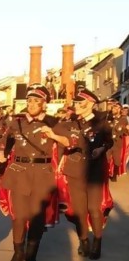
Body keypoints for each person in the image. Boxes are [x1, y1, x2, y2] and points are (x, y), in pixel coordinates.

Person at [43, 87, 113, 259]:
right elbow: (53, 127)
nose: (77, 105)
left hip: (95, 171)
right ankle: (84, 241)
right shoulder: (71, 122)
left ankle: (97, 241)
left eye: (80, 103)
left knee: (93, 209)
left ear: (90, 104)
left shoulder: (101, 122)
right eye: (76, 102)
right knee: (80, 210)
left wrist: (101, 149)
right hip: (75, 171)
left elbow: (109, 142)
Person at [0, 84, 60, 261]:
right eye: (29, 101)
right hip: (19, 172)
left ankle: (31, 253)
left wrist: (54, 136)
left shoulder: (52, 122)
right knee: (19, 215)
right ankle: (18, 252)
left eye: (36, 101)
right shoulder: (16, 121)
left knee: (37, 216)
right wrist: (2, 152)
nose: (31, 104)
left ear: (44, 104)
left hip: (42, 174)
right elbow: (6, 140)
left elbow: (69, 141)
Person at [106, 101, 129, 181]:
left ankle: (114, 175)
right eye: (113, 108)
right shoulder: (110, 117)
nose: (113, 109)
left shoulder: (123, 119)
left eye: (115, 108)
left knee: (117, 161)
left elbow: (125, 131)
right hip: (109, 143)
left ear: (119, 109)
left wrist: (126, 129)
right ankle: (106, 174)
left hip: (117, 143)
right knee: (107, 158)